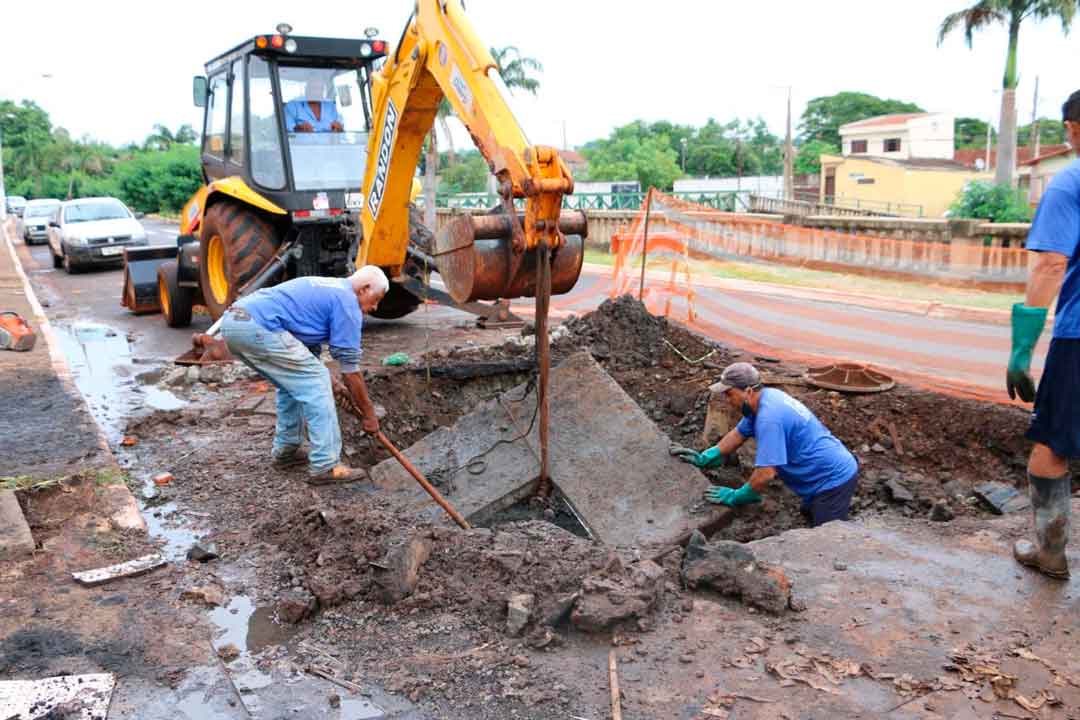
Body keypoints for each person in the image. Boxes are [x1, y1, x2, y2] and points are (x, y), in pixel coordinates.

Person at [1004, 90, 1080, 580]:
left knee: (1050, 448)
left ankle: (1050, 554)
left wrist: (1021, 348)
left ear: (1073, 129)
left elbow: (1052, 262)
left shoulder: (1069, 183)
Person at [220, 267, 388, 484]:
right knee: (317, 384)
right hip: (259, 326)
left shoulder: (328, 287)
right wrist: (368, 414)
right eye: (376, 299)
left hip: (234, 322)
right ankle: (326, 465)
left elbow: (307, 355)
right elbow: (350, 370)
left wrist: (334, 382)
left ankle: (286, 450)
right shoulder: (347, 302)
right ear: (364, 289)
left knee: (292, 384)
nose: (374, 307)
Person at [677, 362, 859, 527]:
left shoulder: (769, 419)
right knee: (810, 516)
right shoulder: (765, 398)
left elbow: (766, 473)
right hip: (820, 471)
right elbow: (738, 434)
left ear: (748, 391)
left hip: (832, 479)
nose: (727, 400)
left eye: (729, 394)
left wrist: (738, 495)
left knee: (825, 537)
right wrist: (708, 456)